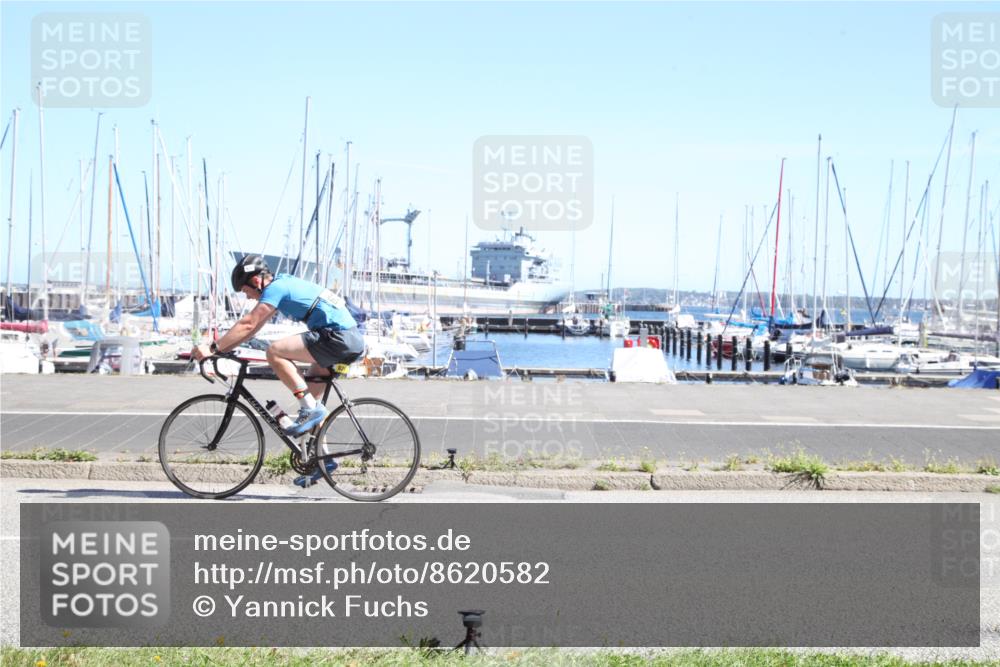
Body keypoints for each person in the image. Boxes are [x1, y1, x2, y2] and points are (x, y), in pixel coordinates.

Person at [191, 254, 365, 437]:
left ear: (256, 281)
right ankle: (320, 452)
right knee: (311, 402)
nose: (248, 297)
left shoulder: (276, 288)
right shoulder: (282, 284)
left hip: (338, 337)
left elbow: (248, 323)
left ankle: (310, 410)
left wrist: (212, 348)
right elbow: (253, 328)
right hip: (348, 338)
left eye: (245, 291)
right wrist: (221, 350)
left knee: (275, 352)